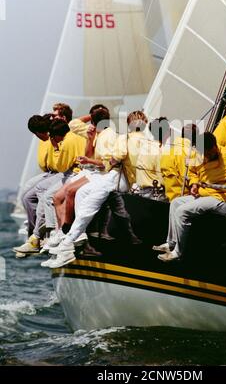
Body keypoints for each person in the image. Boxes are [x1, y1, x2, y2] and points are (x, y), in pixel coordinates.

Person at [45, 111, 148, 268]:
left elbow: (116, 157)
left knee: (88, 202)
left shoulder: (122, 137)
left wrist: (108, 161)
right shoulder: (148, 141)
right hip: (119, 178)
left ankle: (68, 242)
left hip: (116, 178)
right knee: (82, 193)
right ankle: (75, 236)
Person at [153, 132, 226, 262]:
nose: (205, 158)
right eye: (203, 154)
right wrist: (193, 184)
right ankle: (170, 242)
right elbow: (193, 171)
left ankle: (178, 252)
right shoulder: (197, 154)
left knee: (182, 211)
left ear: (214, 148)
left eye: (207, 154)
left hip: (223, 199)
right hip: (205, 194)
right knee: (176, 202)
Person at [14, 119, 86, 254]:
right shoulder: (77, 138)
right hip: (74, 172)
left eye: (53, 137)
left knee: (47, 197)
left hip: (73, 173)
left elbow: (61, 166)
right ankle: (38, 233)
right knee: (35, 193)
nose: (51, 139)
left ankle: (50, 233)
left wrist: (56, 148)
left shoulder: (65, 143)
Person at [20, 114, 54, 236]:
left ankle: (38, 232)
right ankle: (33, 225)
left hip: (57, 172)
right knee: (27, 189)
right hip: (49, 172)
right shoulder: (45, 139)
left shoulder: (55, 135)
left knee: (36, 194)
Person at [160, 124, 198, 201]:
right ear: (195, 139)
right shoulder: (192, 154)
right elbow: (189, 178)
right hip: (184, 200)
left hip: (168, 199)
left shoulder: (167, 153)